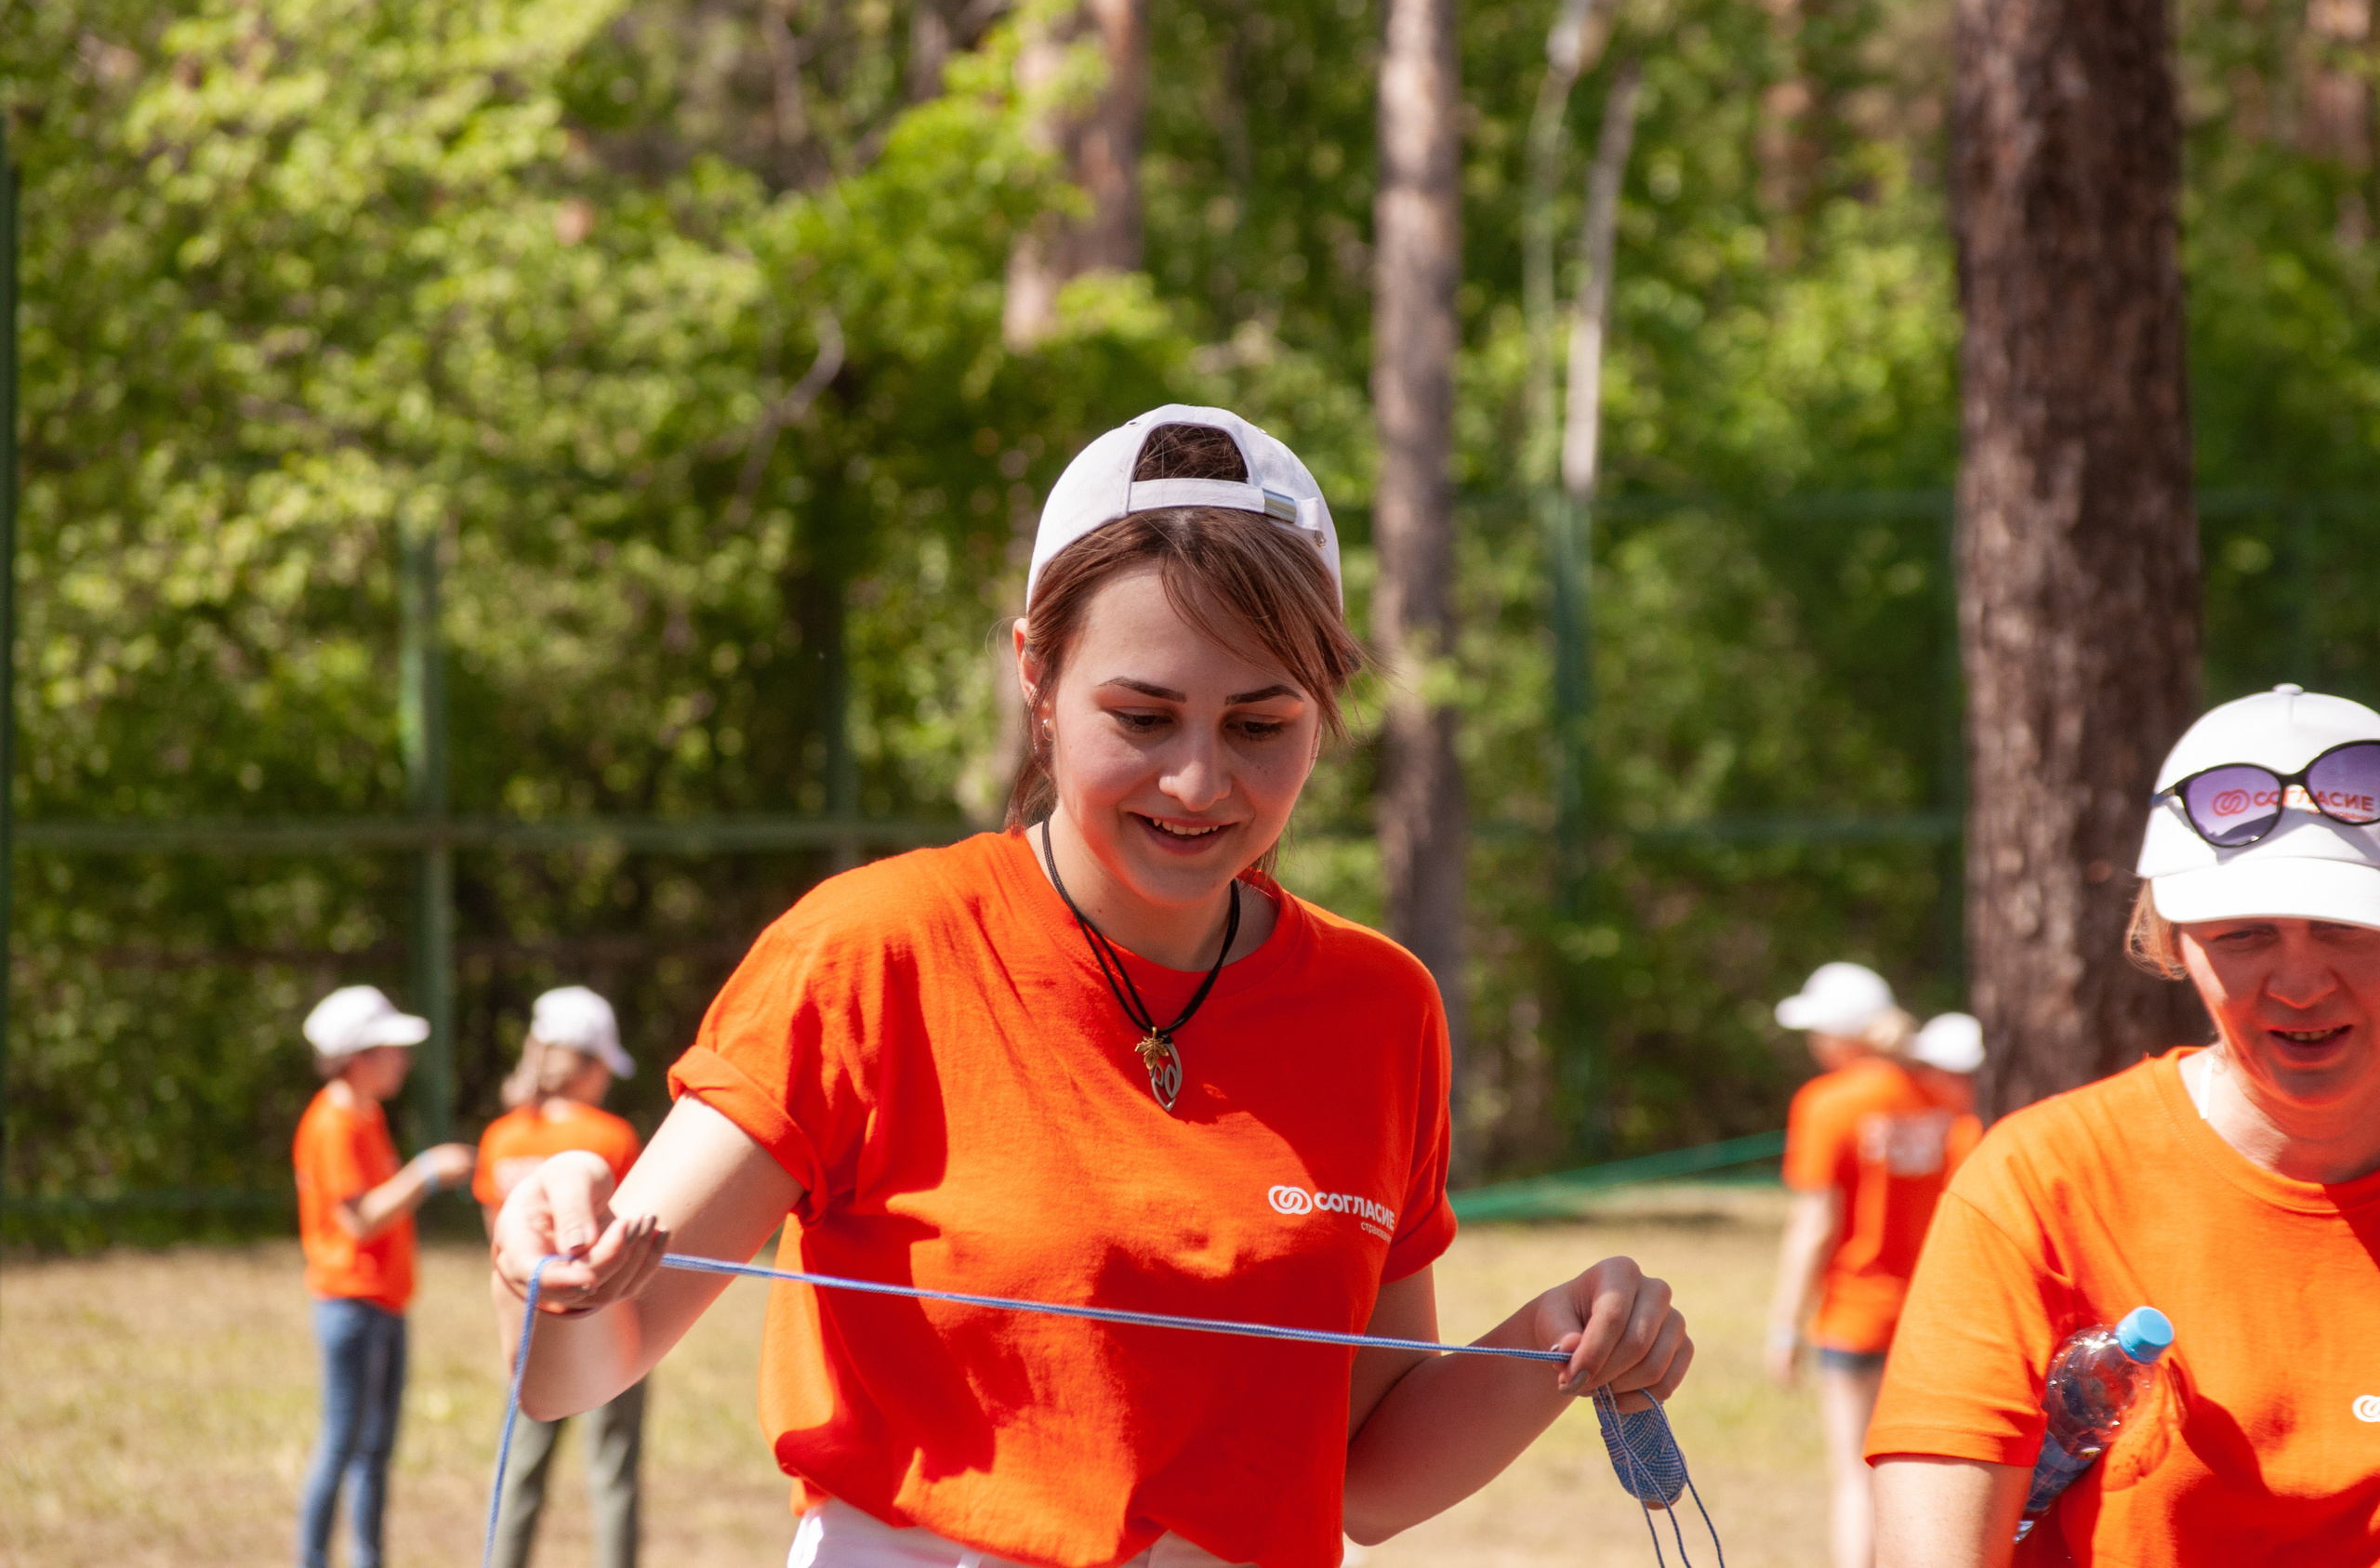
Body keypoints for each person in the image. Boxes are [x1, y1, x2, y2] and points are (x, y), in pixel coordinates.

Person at [486, 405, 1695, 1568]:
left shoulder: (1381, 1008)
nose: (1196, 780)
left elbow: (1362, 1477)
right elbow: (578, 1361)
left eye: (1261, 725)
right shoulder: (871, 952)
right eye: (1144, 714)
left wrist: (1556, 1336)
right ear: (1038, 673)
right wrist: (549, 1248)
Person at [1870, 683, 2380, 1566]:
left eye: (2349, 926)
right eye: (2245, 934)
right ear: (2169, 938)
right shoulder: (2044, 1179)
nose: (2300, 983)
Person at [1766, 964, 1980, 1568]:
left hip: (1854, 1316)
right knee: (1918, 1480)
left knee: (1855, 1478)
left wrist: (1785, 1325)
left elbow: (1815, 1225)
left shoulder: (1827, 1102)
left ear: (1843, 1036)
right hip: (1931, 1317)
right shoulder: (1943, 1097)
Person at [293, 984, 476, 1568]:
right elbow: (360, 1219)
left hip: (383, 1304)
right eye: (390, 1049)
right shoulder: (335, 1124)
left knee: (375, 1450)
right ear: (356, 1058)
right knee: (343, 1444)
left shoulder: (364, 1116)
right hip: (352, 1306)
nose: (402, 1059)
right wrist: (426, 1172)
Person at [477, 987, 647, 1568]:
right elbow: (633, 1241)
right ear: (590, 1066)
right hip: (610, 1327)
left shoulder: (502, 1137)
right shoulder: (614, 1137)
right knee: (614, 1473)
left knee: (521, 1469)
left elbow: (499, 1242)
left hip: (530, 1327)